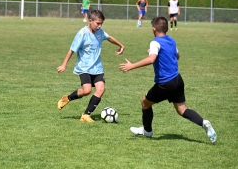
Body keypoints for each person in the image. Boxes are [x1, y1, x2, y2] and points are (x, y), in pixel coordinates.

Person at [119, 16, 217, 144]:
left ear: (154, 29)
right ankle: (203, 122)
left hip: (165, 83)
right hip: (177, 80)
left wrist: (132, 66)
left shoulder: (155, 42)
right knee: (182, 110)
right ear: (166, 28)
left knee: (145, 103)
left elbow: (151, 59)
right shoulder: (172, 40)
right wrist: (157, 53)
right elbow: (177, 56)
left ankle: (147, 131)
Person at [57, 10, 125, 123]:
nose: (99, 26)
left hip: (97, 67)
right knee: (87, 90)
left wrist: (120, 45)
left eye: (101, 23)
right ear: (90, 21)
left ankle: (86, 115)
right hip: (84, 68)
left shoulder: (100, 32)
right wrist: (64, 65)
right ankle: (67, 98)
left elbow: (109, 37)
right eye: (97, 23)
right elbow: (72, 50)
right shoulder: (82, 34)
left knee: (101, 89)